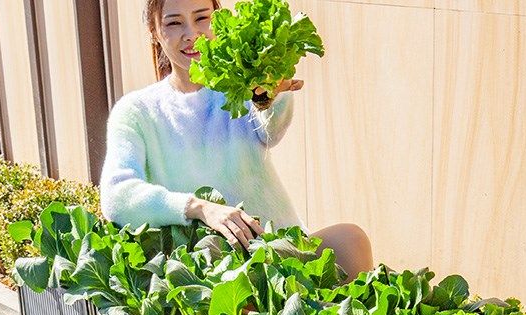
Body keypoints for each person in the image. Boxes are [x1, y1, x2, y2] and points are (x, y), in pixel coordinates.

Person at [100, 0, 374, 279]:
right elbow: (117, 196)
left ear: (220, 21)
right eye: (174, 23)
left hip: (279, 249)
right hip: (213, 270)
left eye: (202, 18)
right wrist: (199, 208)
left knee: (350, 240)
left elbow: (271, 130)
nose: (191, 34)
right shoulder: (137, 110)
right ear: (155, 31)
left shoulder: (240, 86)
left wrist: (267, 95)